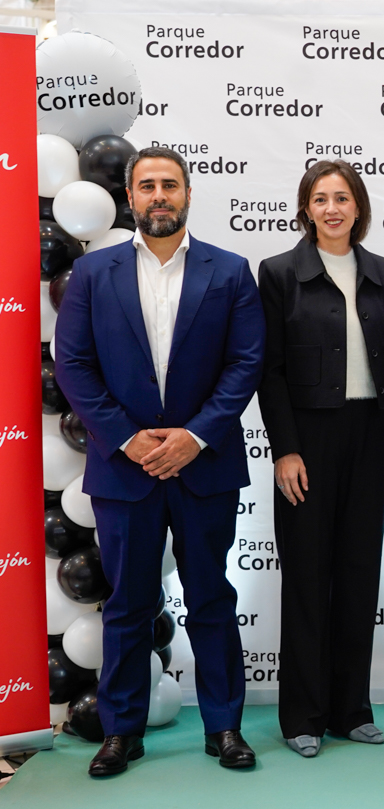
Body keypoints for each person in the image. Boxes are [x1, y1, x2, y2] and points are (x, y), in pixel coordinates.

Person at [54, 146, 265, 776]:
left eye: (170, 185)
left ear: (188, 193)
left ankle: (224, 725)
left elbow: (245, 362)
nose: (159, 196)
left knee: (211, 597)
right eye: (147, 186)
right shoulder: (95, 272)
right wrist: (129, 439)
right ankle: (121, 730)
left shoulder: (230, 271)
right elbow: (74, 365)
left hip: (205, 467)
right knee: (127, 603)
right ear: (131, 196)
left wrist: (193, 438)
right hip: (126, 469)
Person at [257, 160, 384, 758]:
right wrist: (285, 449)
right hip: (309, 440)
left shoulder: (380, 271)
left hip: (370, 435)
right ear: (306, 208)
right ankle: (303, 715)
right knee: (307, 576)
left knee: (358, 574)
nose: (333, 208)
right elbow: (270, 371)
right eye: (321, 199)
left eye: (343, 198)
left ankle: (351, 710)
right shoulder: (279, 273)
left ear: (358, 207)